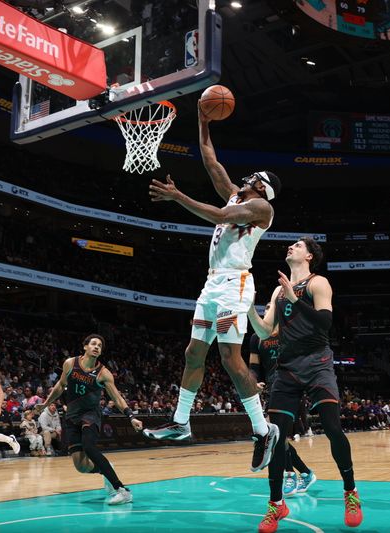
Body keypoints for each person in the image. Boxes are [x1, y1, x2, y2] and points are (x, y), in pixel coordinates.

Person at [143, 103, 283, 473]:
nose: (247, 177)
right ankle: (181, 422)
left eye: (254, 177)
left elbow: (220, 216)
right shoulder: (238, 195)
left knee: (229, 358)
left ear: (262, 187)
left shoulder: (261, 209)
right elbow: (210, 160)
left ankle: (263, 429)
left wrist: (178, 197)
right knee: (193, 352)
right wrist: (203, 122)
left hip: (235, 286)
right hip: (212, 284)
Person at [248, 237, 361, 532]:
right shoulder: (278, 290)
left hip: (318, 364)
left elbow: (325, 322)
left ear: (309, 256)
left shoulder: (318, 283)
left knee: (333, 429)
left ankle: (350, 492)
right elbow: (264, 329)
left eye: (298, 245)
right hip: (287, 370)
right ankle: (276, 504)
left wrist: (295, 298)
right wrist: (248, 308)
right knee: (276, 438)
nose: (291, 247)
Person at [34, 335, 143, 505]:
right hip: (72, 416)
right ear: (85, 346)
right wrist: (45, 404)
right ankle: (106, 470)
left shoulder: (103, 373)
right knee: (81, 466)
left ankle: (122, 490)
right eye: (93, 344)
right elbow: (61, 386)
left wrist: (131, 416)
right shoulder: (70, 364)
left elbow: (117, 397)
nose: (96, 347)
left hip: (90, 415)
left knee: (89, 447)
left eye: (99, 345)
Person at [249, 304, 316, 498]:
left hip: (292, 388)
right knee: (276, 436)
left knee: (276, 435)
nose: (270, 309)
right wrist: (254, 380)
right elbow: (254, 365)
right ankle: (304, 472)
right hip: (273, 390)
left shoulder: (292, 334)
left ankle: (290, 474)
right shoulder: (257, 338)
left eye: (274, 307)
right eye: (267, 307)